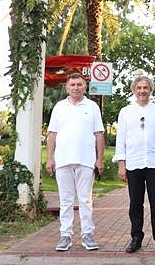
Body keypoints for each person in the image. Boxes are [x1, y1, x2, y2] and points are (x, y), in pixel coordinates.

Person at [113, 75, 155, 254]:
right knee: (135, 203)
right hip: (133, 163)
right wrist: (121, 164)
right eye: (139, 88)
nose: (142, 91)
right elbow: (121, 139)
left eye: (145, 88)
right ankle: (136, 237)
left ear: (150, 90)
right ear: (134, 90)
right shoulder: (125, 111)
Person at [45, 73, 105, 252]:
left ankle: (88, 235)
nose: (76, 88)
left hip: (86, 161)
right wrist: (49, 158)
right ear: (67, 88)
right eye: (73, 85)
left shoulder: (92, 107)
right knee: (66, 200)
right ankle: (65, 236)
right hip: (63, 161)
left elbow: (99, 134)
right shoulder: (59, 107)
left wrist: (99, 159)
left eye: (79, 84)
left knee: (85, 200)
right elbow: (52, 134)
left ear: (84, 87)